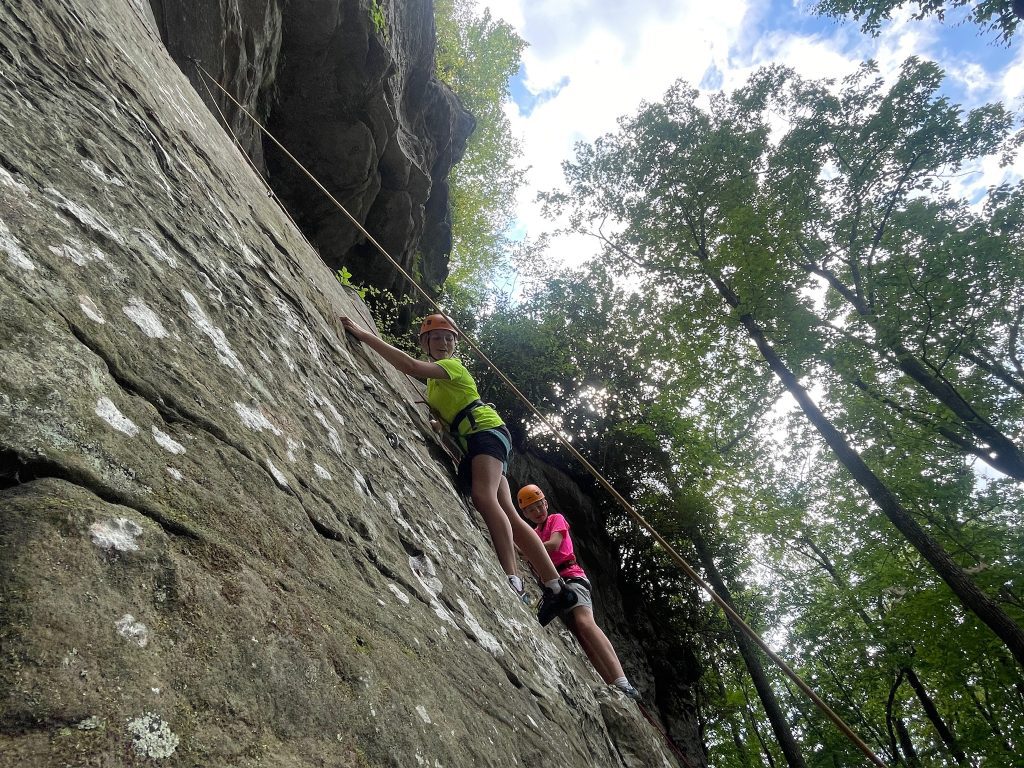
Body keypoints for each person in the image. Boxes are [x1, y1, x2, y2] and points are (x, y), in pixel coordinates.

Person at [339, 312, 578, 626]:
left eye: (448, 338)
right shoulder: (436, 387)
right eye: (435, 338)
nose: (443, 342)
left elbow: (409, 367)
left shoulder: (452, 367)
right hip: (485, 437)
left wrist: (362, 333)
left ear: (454, 344)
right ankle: (555, 587)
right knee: (508, 511)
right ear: (425, 342)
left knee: (484, 498)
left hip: (484, 435)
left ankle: (513, 578)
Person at [517, 483, 642, 700]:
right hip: (553, 584)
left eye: (539, 506)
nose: (537, 512)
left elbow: (555, 545)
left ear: (546, 503)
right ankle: (612, 684)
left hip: (571, 577)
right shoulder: (534, 532)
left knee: (585, 623)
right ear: (525, 514)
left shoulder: (556, 519)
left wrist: (523, 547)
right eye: (531, 510)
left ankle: (623, 682)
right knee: (581, 637)